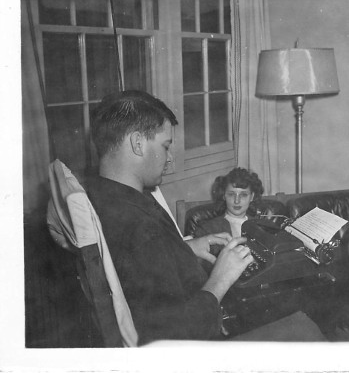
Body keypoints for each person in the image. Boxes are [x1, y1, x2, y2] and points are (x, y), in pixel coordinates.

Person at [86, 90, 254, 345]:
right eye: (166, 146)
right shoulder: (139, 226)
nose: (170, 157)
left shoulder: (106, 197)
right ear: (138, 143)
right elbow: (173, 336)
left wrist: (184, 248)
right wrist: (220, 279)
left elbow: (141, 269)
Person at [194, 167, 264, 240]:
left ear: (252, 197)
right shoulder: (207, 229)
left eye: (243, 195)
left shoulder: (262, 228)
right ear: (224, 195)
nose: (237, 201)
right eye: (231, 194)